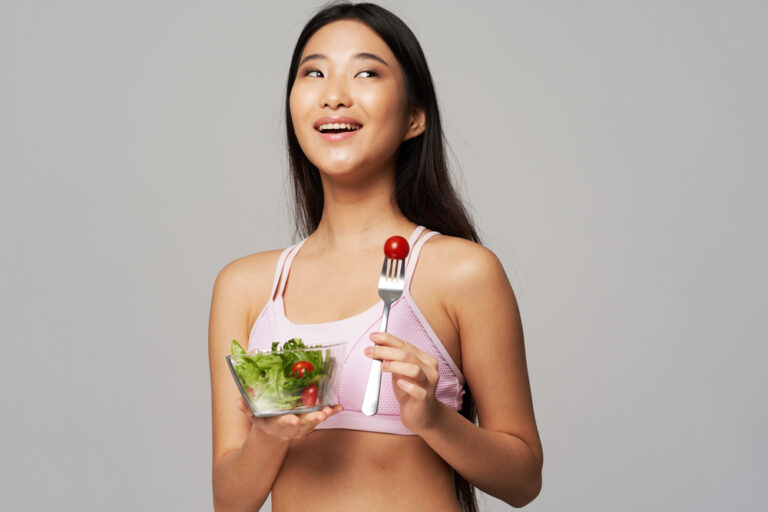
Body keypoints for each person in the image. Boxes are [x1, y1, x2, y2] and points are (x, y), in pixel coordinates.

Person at [208, 2, 543, 510]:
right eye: (313, 72)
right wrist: (270, 435)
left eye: (366, 72)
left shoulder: (462, 272)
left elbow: (523, 480)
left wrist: (432, 418)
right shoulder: (247, 287)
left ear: (414, 116)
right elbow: (230, 501)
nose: (335, 95)